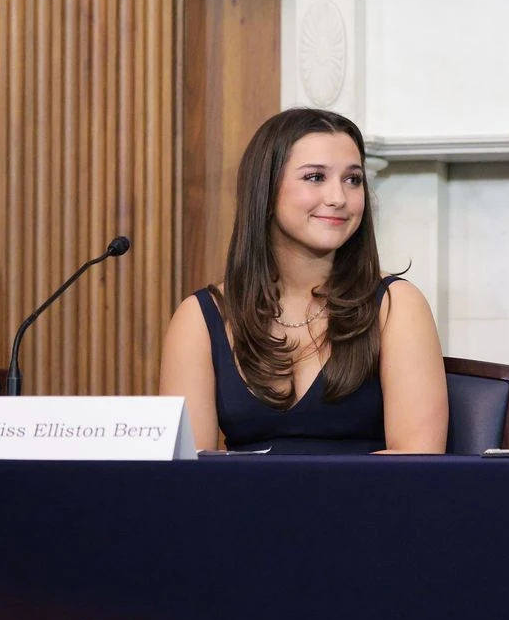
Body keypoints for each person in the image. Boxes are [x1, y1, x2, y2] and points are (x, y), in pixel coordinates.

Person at [160, 108, 447, 453]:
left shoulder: (396, 305)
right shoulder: (200, 317)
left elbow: (419, 458)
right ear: (265, 192)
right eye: (315, 177)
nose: (338, 198)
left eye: (352, 179)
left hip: (368, 504)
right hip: (242, 506)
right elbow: (187, 473)